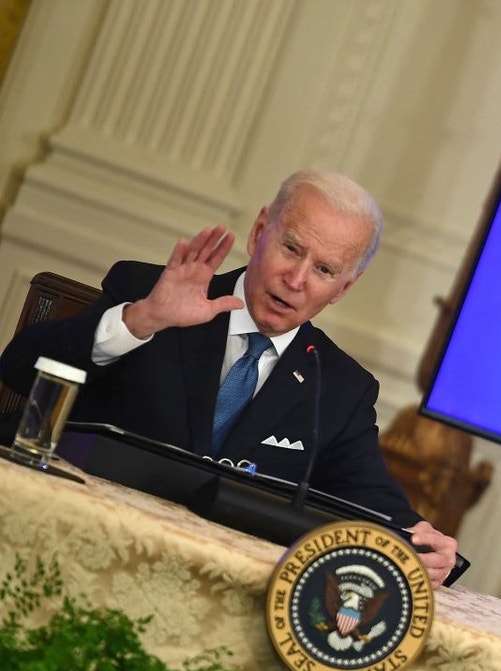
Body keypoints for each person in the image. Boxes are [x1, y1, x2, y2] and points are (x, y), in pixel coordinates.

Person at [0, 169, 458, 586]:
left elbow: (372, 498)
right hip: (76, 547)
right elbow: (19, 371)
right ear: (260, 232)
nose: (296, 279)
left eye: (324, 270)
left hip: (218, 588)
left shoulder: (339, 386)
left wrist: (419, 541)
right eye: (291, 248)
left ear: (345, 287)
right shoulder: (150, 295)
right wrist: (140, 321)